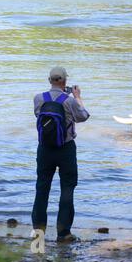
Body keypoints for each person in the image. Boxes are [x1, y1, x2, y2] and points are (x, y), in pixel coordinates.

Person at [32, 67, 90, 243]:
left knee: (42, 190)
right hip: (66, 149)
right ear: (65, 81)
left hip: (44, 149)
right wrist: (78, 97)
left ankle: (38, 235)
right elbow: (84, 116)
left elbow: (37, 115)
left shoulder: (38, 98)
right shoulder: (70, 101)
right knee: (67, 189)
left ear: (49, 80)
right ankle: (63, 233)